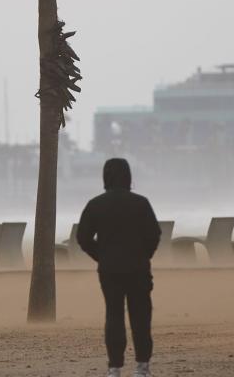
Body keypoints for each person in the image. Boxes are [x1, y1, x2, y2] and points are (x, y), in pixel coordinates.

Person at [77, 158, 162, 377]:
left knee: (113, 315)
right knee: (141, 317)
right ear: (128, 176)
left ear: (105, 177)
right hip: (138, 269)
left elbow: (83, 237)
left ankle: (114, 368)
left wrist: (101, 256)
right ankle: (142, 367)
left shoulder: (96, 204)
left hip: (110, 270)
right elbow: (154, 234)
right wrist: (144, 255)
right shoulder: (141, 203)